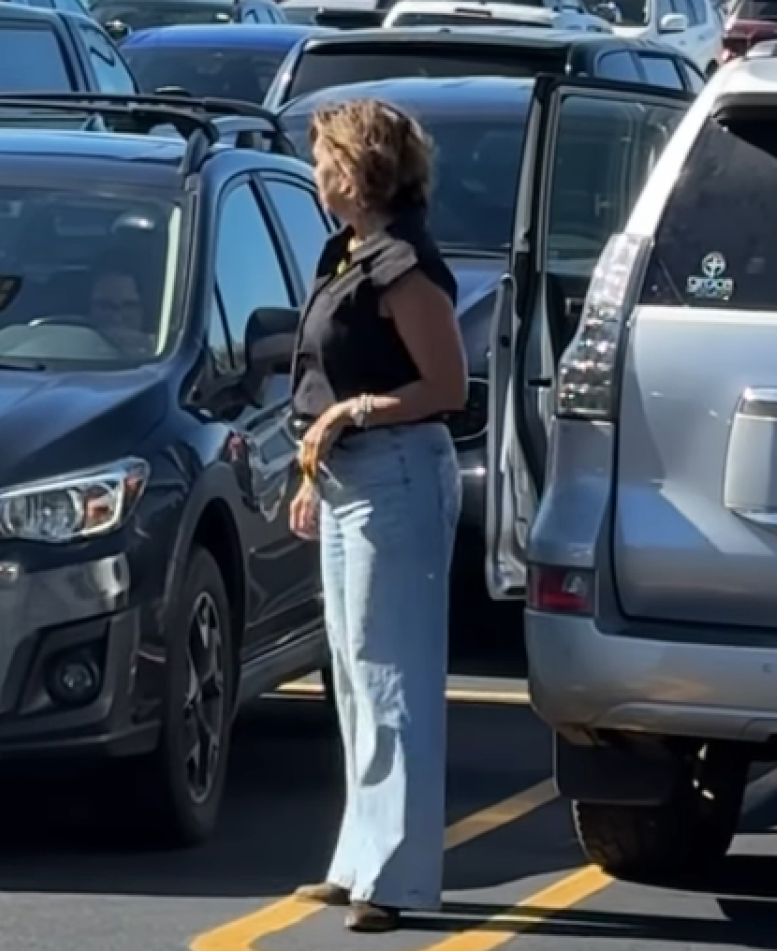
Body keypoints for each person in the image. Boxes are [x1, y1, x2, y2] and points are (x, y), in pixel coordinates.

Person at [287, 99, 467, 934]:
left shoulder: (403, 266)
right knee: (354, 674)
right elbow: (323, 378)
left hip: (397, 473)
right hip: (350, 477)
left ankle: (396, 879)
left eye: (324, 156)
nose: (316, 169)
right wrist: (316, 457)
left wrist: (351, 413)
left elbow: (446, 390)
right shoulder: (348, 253)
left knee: (393, 675)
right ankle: (359, 857)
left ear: (355, 169)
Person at [88, 256, 150, 354]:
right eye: (105, 307)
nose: (116, 318)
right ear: (88, 308)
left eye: (129, 307)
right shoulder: (64, 350)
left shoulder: (169, 354)